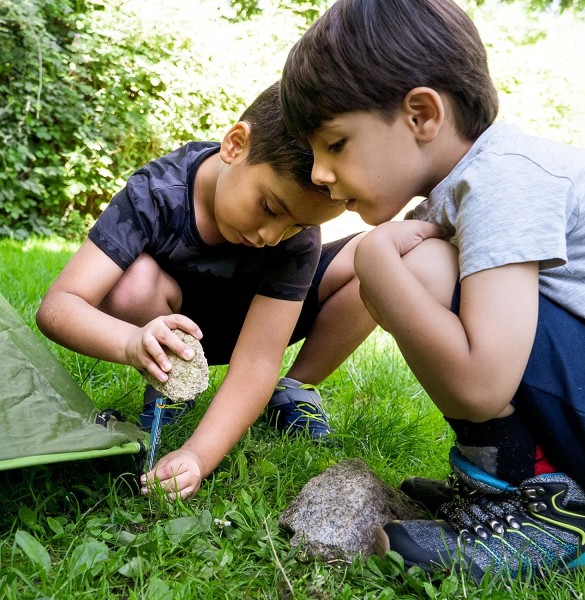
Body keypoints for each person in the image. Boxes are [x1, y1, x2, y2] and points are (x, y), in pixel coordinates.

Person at [279, 0, 585, 582]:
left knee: (419, 267)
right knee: (411, 269)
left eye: (335, 144)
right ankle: (503, 479)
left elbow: (481, 385)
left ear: (421, 114)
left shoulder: (503, 178)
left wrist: (376, 258)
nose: (319, 175)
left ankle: (550, 508)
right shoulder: (473, 182)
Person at [36, 82, 375, 501]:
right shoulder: (157, 192)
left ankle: (293, 390)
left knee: (377, 259)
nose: (272, 235)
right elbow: (59, 305)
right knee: (133, 281)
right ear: (235, 144)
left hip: (256, 325)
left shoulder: (292, 239)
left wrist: (197, 455)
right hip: (171, 324)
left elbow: (256, 360)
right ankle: (172, 379)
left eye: (297, 226)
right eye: (269, 208)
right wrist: (130, 342)